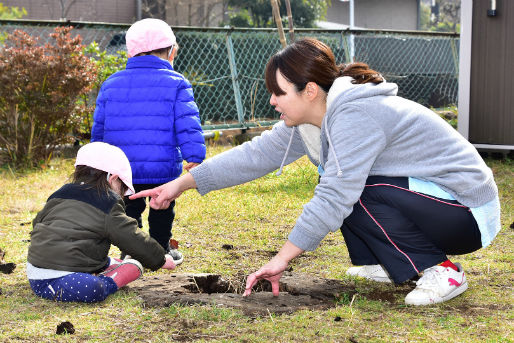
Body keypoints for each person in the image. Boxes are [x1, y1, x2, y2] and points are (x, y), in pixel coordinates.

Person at [129, 38, 501, 306]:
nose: (272, 101)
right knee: (348, 185)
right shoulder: (311, 118)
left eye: (278, 92)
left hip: (467, 211)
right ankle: (389, 262)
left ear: (309, 90)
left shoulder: (355, 114)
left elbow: (338, 193)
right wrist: (181, 183)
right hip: (433, 202)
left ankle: (442, 270)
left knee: (348, 189)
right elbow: (254, 155)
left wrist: (282, 259)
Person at [91, 18, 206, 265]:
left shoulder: (110, 84)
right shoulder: (177, 83)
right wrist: (194, 156)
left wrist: (97, 161)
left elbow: (99, 127)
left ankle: (131, 249)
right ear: (171, 51)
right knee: (162, 206)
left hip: (123, 168)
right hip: (161, 166)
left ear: (130, 52)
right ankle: (161, 248)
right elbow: (187, 123)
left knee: (127, 211)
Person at [26, 142, 176, 303]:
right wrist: (159, 258)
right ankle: (123, 271)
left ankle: (107, 265)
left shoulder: (60, 193)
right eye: (123, 189)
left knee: (89, 254)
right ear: (113, 179)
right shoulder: (108, 204)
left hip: (35, 270)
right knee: (94, 289)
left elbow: (38, 223)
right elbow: (131, 236)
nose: (122, 196)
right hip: (54, 279)